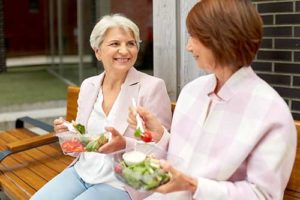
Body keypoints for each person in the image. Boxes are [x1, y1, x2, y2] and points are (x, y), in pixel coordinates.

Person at [107, 0, 297, 199]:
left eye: (193, 37)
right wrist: (159, 136)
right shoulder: (193, 91)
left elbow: (263, 195)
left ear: (220, 39)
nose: (188, 47)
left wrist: (194, 185)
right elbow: (184, 158)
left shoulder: (271, 112)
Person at [31, 14, 172, 200]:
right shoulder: (89, 86)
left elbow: (163, 148)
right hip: (82, 171)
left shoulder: (151, 87)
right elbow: (80, 143)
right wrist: (67, 133)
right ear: (97, 51)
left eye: (131, 43)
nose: (125, 51)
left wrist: (125, 144)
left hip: (122, 182)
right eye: (115, 44)